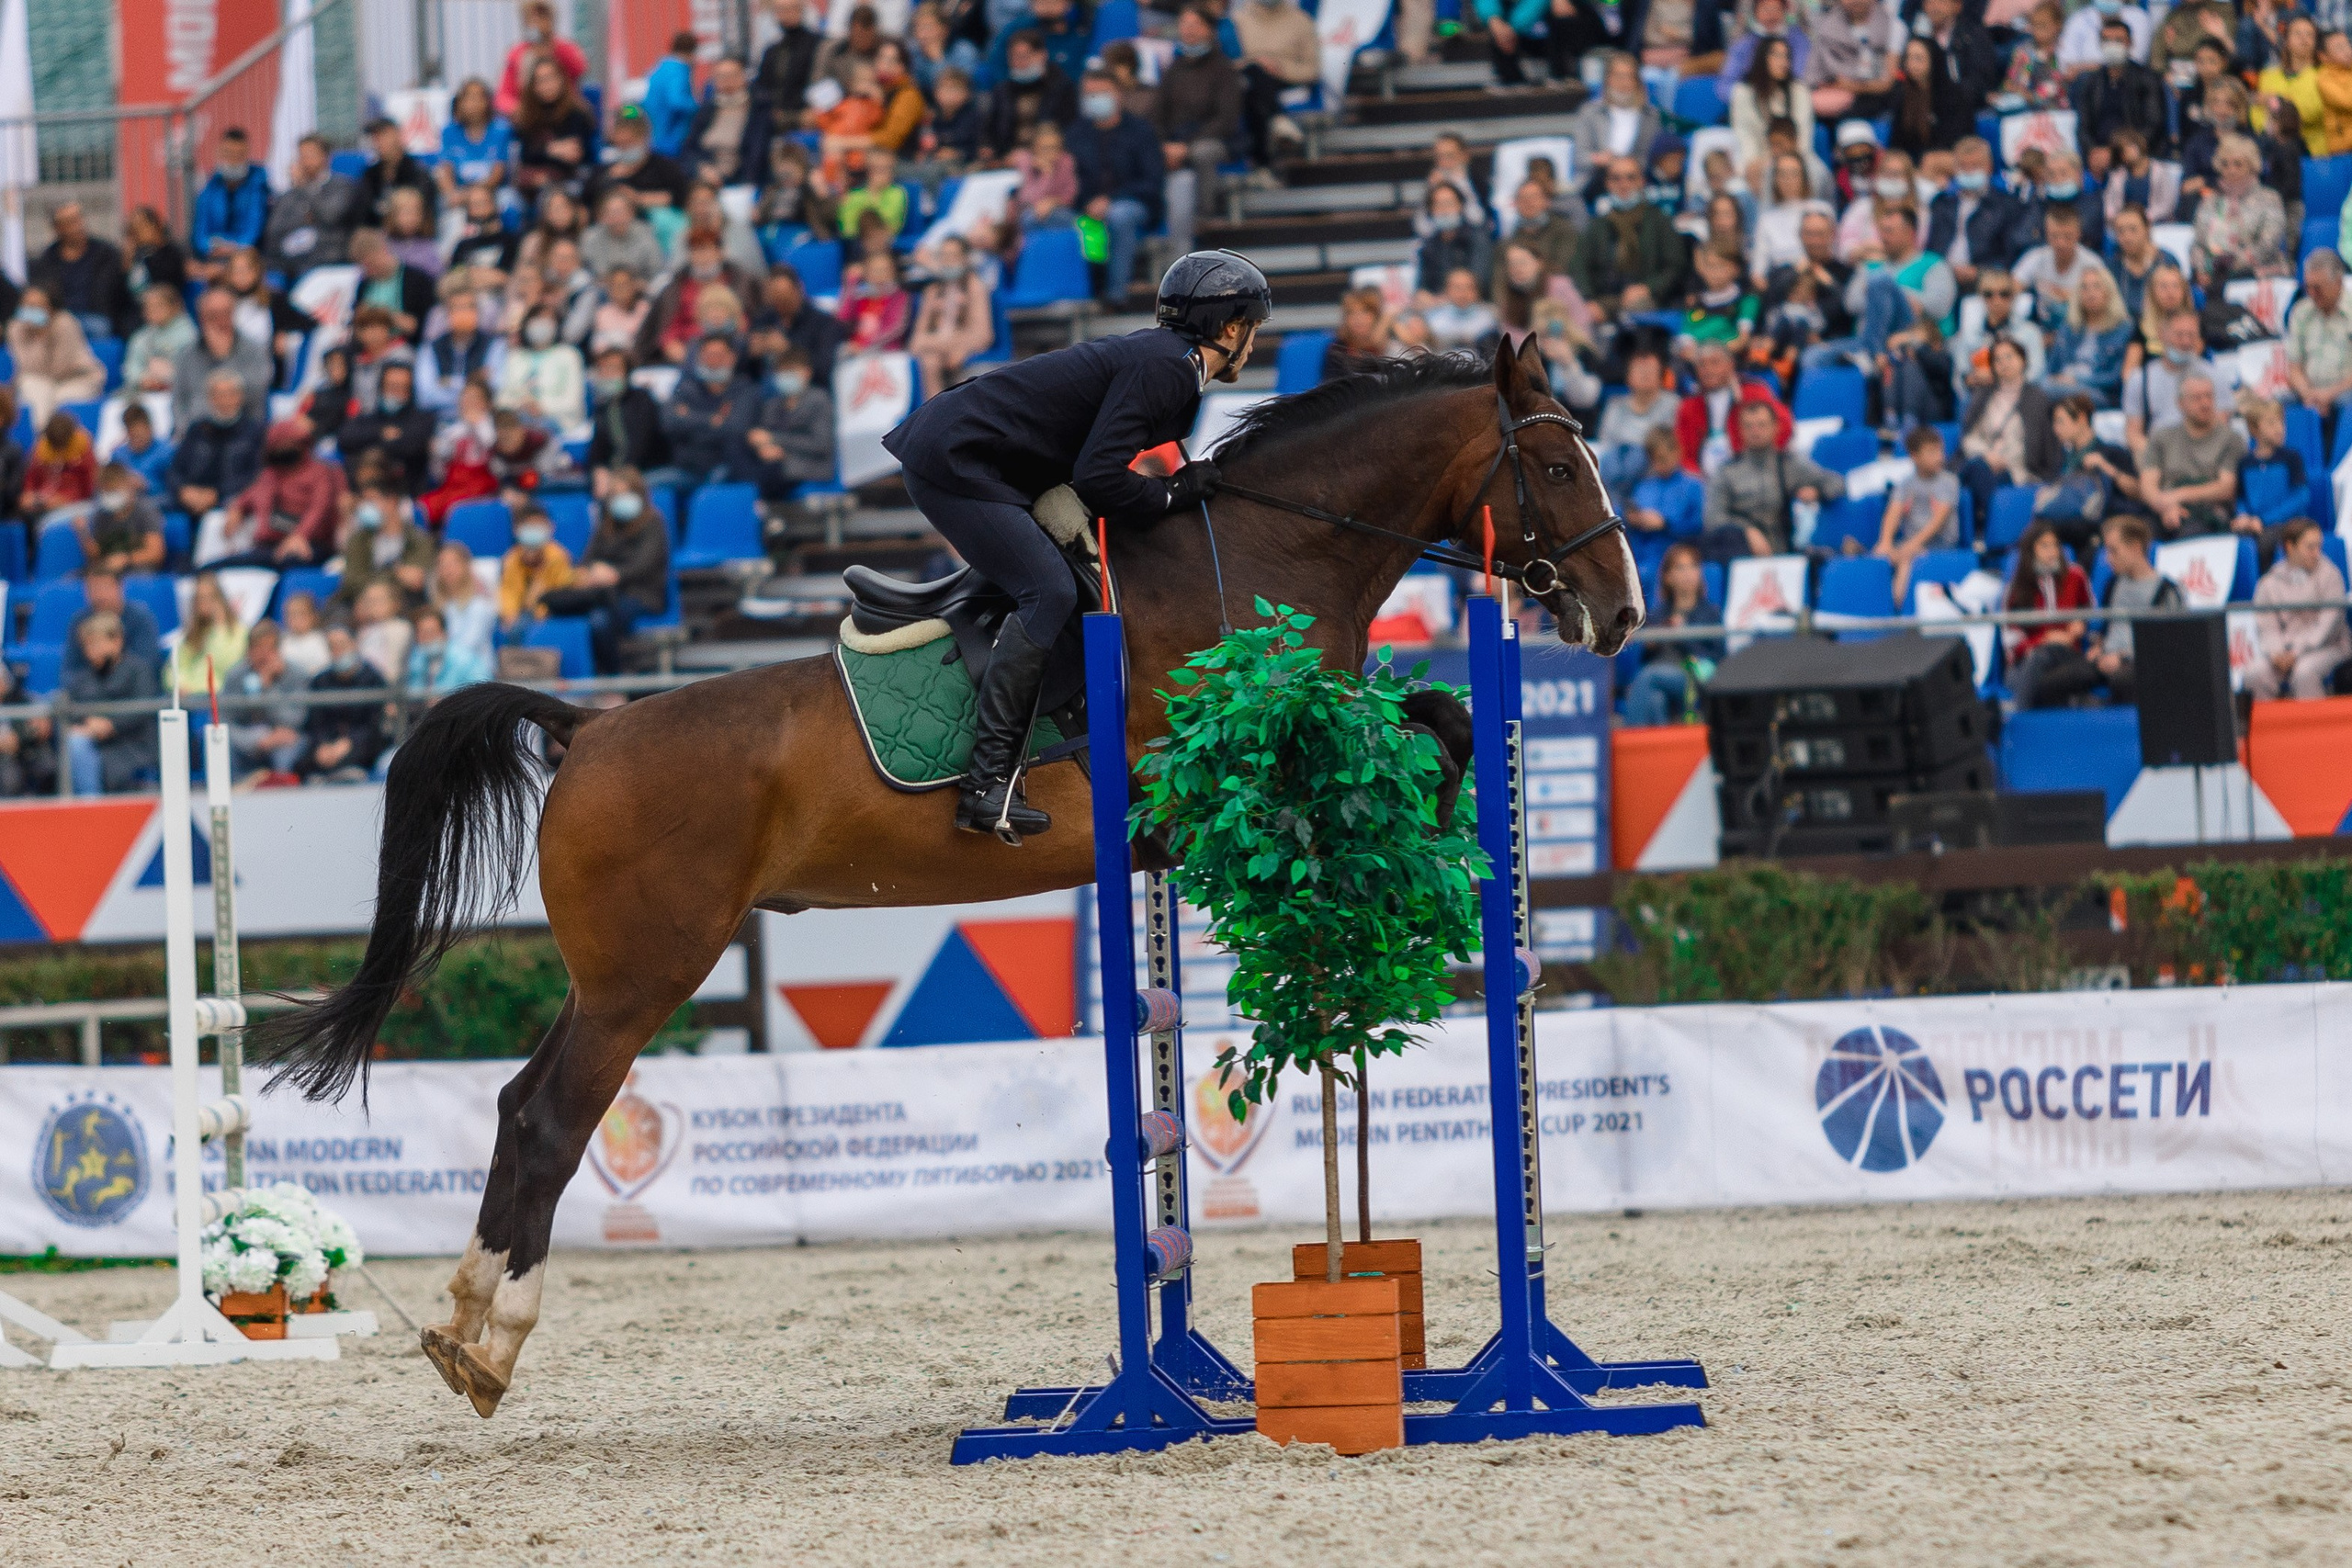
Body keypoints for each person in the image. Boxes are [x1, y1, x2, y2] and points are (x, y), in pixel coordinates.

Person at [880, 251, 1263, 841]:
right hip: (959, 463)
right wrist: (1170, 493)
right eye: (1253, 328)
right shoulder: (1169, 368)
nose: (1255, 343)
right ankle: (986, 784)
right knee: (1049, 591)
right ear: (1231, 329)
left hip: (991, 460)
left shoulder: (1170, 361)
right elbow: (1099, 478)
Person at [537, 468, 673, 673]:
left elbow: (644, 564)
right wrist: (586, 574)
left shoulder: (653, 522)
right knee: (561, 613)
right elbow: (586, 560)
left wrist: (614, 575)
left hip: (640, 594)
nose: (620, 499)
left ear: (639, 495)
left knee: (599, 621)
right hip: (601, 593)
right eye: (615, 494)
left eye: (626, 493)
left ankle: (612, 677)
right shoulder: (606, 524)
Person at [1070, 69, 1165, 310]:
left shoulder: (1141, 131)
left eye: (1102, 93)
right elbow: (1070, 179)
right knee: (1056, 219)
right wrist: (1086, 203)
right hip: (1085, 208)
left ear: (1119, 95)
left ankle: (1115, 296)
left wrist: (1110, 199)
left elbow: (1152, 181)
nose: (1095, 99)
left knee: (1119, 215)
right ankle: (1078, 294)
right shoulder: (1075, 135)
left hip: (1134, 204)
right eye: (1090, 94)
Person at [1703, 396, 1843, 557]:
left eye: (1761, 425)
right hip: (1739, 553)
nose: (1755, 431)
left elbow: (1837, 483)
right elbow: (1713, 518)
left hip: (1785, 553)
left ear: (1775, 427)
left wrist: (1818, 492)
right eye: (1749, 426)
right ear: (1740, 430)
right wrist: (1746, 530)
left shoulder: (1790, 464)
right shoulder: (1726, 471)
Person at [1153, 8, 1244, 255]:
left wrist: (1187, 145)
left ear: (1210, 30)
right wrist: (1164, 144)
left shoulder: (1223, 69)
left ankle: (1204, 216)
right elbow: (1158, 113)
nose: (1189, 30)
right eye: (1184, 24)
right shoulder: (1174, 69)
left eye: (1196, 24)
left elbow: (1226, 119)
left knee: (1202, 152)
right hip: (1174, 143)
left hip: (1215, 140)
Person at [209, 417, 345, 568]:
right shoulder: (269, 474)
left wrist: (300, 535)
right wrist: (237, 509)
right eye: (280, 445)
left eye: (291, 444)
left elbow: (320, 507)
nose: (285, 449)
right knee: (217, 566)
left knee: (290, 560)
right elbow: (248, 497)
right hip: (269, 545)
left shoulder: (320, 472)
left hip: (309, 544)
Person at [1957, 336, 2059, 531]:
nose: (2004, 363)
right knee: (1978, 468)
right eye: (1998, 359)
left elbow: (2041, 444)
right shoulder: (1983, 395)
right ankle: (1991, 528)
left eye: (2009, 357)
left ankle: (1985, 528)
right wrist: (1988, 455)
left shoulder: (2037, 398)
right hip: (1982, 460)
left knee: (1979, 474)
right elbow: (1969, 437)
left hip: (2017, 469)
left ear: (2023, 361)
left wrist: (2004, 461)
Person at [2078, 513, 2178, 705]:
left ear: (2135, 547)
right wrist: (2098, 646)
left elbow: (2168, 645)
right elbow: (2106, 627)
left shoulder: (2167, 591)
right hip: (2105, 659)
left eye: (2113, 551)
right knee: (2055, 681)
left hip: (2141, 663)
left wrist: (2122, 657)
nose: (2108, 559)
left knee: (2122, 680)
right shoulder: (2112, 584)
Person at [2245, 519, 2351, 698]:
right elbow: (2267, 627)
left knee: (2304, 673)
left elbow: (2327, 627)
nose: (2316, 553)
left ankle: (2314, 718)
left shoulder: (2331, 576)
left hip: (2329, 647)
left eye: (2318, 546)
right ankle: (2269, 718)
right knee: (2255, 673)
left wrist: (2296, 653)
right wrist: (2276, 653)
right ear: (2290, 547)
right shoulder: (2268, 583)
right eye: (2310, 547)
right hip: (2283, 652)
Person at [1570, 156, 1683, 322]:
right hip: (1604, 299)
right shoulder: (1597, 225)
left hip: (1647, 298)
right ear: (1607, 184)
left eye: (1631, 178)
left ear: (1642, 182)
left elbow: (1675, 266)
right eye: (1616, 178)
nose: (1623, 184)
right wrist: (1588, 299)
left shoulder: (1659, 221)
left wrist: (1648, 288)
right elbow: (1580, 266)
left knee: (1637, 306)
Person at [1623, 542, 1723, 726]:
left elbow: (1718, 656)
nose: (1688, 573)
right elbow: (1645, 657)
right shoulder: (1657, 614)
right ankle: (1659, 745)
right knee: (1655, 699)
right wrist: (1649, 644)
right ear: (1668, 577)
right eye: (1680, 568)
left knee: (1647, 677)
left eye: (1693, 566)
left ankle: (1629, 737)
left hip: (1692, 677)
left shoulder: (1710, 613)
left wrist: (1682, 635)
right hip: (1660, 673)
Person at [61, 613, 158, 795]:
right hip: (96, 747)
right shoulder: (84, 678)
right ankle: (90, 805)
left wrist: (111, 725)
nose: (91, 652)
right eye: (87, 646)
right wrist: (88, 725)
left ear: (117, 641)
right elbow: (71, 710)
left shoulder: (139, 671)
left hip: (133, 745)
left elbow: (142, 709)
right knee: (75, 742)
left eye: (96, 644)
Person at [2140, 370, 2244, 539]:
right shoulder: (2162, 437)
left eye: (2209, 396)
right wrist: (2166, 507)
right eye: (2197, 398)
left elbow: (2226, 488)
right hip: (2163, 510)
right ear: (2180, 403)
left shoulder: (2231, 439)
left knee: (2192, 532)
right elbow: (2148, 484)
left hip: (2208, 512)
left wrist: (2177, 496)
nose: (2205, 403)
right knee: (2136, 533)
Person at [2003, 521, 2096, 708]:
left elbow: (2089, 610)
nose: (2052, 552)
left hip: (2068, 654)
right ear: (2031, 550)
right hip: (2028, 660)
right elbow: (2011, 641)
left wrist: (2081, 623)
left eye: (2055, 545)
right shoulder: (2017, 588)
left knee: (2039, 674)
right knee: (2037, 665)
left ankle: (2017, 714)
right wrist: (2044, 640)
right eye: (2044, 546)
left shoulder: (2075, 575)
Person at [1925, 138, 2029, 295]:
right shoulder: (1941, 204)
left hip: (1986, 282)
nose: (1968, 171)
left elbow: (2011, 255)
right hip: (1941, 278)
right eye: (1963, 166)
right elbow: (1932, 248)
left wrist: (1979, 271)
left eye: (1975, 166)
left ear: (1989, 167)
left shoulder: (2006, 206)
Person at [2124, 309, 2236, 455]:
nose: (2186, 341)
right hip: (2157, 454)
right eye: (2179, 335)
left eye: (2191, 335)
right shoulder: (2140, 379)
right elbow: (2133, 434)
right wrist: (2157, 457)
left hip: (2203, 455)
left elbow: (2221, 427)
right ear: (2161, 334)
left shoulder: (2215, 376)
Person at [660, 333, 763, 489]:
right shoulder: (686, 387)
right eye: (707, 355)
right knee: (643, 488)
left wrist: (689, 418)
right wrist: (712, 420)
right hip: (686, 469)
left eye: (719, 355)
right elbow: (668, 423)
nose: (713, 361)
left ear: (732, 358)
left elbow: (736, 429)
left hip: (726, 467)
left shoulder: (745, 390)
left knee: (710, 494)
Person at [1872, 424, 1959, 603]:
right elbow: (1893, 512)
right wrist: (1885, 542)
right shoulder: (1906, 484)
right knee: (1879, 556)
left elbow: (1938, 522)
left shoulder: (1949, 482)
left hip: (1940, 546)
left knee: (1907, 559)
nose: (1939, 457)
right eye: (1931, 452)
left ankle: (1896, 609)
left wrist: (1910, 546)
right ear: (1914, 456)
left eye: (1940, 450)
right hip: (1909, 544)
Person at [171, 288, 275, 434]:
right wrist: (184, 430)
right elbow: (178, 400)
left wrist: (222, 358)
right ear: (201, 318)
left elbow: (256, 393)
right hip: (197, 433)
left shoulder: (254, 350)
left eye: (225, 313)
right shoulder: (187, 354)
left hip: (243, 434)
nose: (220, 321)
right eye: (212, 315)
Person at [298, 623, 391, 782]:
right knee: (302, 763)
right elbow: (315, 723)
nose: (338, 651)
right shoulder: (320, 681)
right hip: (327, 747)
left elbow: (375, 724)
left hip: (362, 745)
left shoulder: (374, 679)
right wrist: (323, 745)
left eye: (342, 645)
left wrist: (349, 742)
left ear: (354, 644)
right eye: (332, 647)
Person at [2192, 134, 2289, 287]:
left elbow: (2268, 245)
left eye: (2238, 164)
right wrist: (2203, 268)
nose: (2231, 170)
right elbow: (2198, 244)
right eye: (2225, 164)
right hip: (2214, 278)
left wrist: (2232, 264)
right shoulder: (2210, 201)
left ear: (2251, 167)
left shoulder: (2269, 199)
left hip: (2258, 277)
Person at [169, 370, 265, 524]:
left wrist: (217, 493)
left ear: (240, 397)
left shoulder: (254, 432)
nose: (224, 400)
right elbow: (175, 469)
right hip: (190, 496)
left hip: (229, 500)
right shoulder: (197, 429)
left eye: (230, 394)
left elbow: (255, 474)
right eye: (218, 395)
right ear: (210, 398)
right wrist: (183, 490)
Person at [30, 201, 132, 340]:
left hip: (97, 316)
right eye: (70, 222)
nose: (78, 226)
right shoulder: (47, 259)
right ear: (57, 228)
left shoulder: (105, 253)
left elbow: (119, 288)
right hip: (59, 317)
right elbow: (41, 293)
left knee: (98, 327)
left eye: (79, 219)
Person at [264, 135, 361, 278]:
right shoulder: (291, 194)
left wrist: (305, 187)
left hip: (329, 262)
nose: (305, 161)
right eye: (302, 156)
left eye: (310, 155)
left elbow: (330, 216)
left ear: (326, 157)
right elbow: (273, 231)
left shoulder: (342, 186)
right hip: (291, 264)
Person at [909, 236, 994, 399]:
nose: (949, 262)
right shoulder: (932, 291)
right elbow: (916, 341)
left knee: (958, 365)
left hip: (967, 353)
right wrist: (948, 346)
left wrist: (960, 348)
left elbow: (983, 335)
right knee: (929, 361)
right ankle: (934, 410)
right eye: (944, 256)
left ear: (965, 259)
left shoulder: (975, 287)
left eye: (954, 256)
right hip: (940, 351)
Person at [220, 620, 307, 779]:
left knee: (287, 752)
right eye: (259, 648)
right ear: (249, 650)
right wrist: (256, 741)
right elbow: (225, 722)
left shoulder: (296, 674)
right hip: (248, 737)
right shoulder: (235, 676)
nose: (265, 655)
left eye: (270, 649)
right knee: (225, 746)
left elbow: (296, 720)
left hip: (285, 736)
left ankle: (283, 790)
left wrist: (269, 689)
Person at [1595, 344, 1685, 501]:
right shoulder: (1615, 405)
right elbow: (1606, 444)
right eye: (1639, 370)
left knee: (1637, 456)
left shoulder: (1674, 405)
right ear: (1628, 376)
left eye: (1650, 370)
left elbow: (1671, 445)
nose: (1645, 374)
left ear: (1661, 376)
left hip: (1656, 476)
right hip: (1616, 474)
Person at [2041, 260, 2134, 408]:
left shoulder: (2124, 329)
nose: (2090, 293)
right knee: (2037, 388)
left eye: (2097, 286)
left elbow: (2115, 378)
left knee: (2045, 389)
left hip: (2099, 392)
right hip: (2060, 385)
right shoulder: (2068, 327)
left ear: (2109, 291)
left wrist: (2076, 379)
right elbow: (2052, 367)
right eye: (2084, 288)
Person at [8, 285, 106, 428]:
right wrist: (39, 338)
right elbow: (26, 366)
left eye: (36, 306)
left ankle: (63, 439)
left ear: (50, 308)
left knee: (59, 401)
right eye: (26, 305)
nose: (30, 311)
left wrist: (45, 334)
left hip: (76, 378)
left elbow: (59, 368)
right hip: (43, 380)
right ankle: (41, 437)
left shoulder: (65, 322)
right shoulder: (16, 328)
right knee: (32, 387)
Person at [2287, 248, 2352, 458]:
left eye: (2318, 288)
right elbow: (2294, 367)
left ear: (2338, 283)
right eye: (2308, 287)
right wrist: (2309, 394)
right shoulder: (2301, 312)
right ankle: (2296, 466)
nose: (2312, 294)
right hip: (2310, 392)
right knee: (2276, 405)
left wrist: (2328, 394)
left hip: (2345, 390)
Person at [1623, 426, 1705, 581]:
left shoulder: (1694, 485)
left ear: (1677, 452)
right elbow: (1630, 522)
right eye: (1654, 460)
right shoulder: (1643, 487)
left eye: (1664, 459)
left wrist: (1665, 524)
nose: (1659, 465)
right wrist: (1633, 520)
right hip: (1642, 557)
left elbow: (1699, 526)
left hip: (1676, 556)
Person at [190, 127, 272, 281]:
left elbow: (254, 230)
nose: (233, 160)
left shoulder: (259, 187)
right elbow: (200, 232)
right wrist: (210, 247)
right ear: (219, 153)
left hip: (249, 258)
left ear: (247, 155)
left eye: (238, 155)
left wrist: (234, 248)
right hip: (213, 257)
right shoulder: (209, 189)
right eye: (228, 154)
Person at [2233, 398, 2310, 558]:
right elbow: (2241, 498)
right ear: (2254, 429)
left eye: (2281, 422)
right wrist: (2243, 517)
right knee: (2235, 543)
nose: (2279, 428)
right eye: (2271, 423)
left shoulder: (2291, 458)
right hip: (2254, 525)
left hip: (2287, 525)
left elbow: (2301, 497)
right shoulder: (2244, 463)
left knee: (2265, 541)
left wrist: (2263, 520)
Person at [514, 55, 599, 200]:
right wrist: (551, 149)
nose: (547, 85)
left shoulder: (578, 113)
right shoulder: (526, 117)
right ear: (533, 86)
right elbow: (525, 155)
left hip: (572, 179)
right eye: (541, 80)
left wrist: (542, 151)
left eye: (551, 78)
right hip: (533, 184)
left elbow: (576, 154)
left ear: (561, 80)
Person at [585, 344, 669, 486]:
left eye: (613, 369)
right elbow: (597, 451)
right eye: (602, 369)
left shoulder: (642, 400)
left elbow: (640, 446)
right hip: (615, 474)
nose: (606, 374)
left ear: (627, 372)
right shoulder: (603, 408)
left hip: (648, 470)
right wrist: (598, 471)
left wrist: (619, 477)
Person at [498, 303, 587, 433]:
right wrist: (521, 405)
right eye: (537, 319)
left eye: (548, 319)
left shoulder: (569, 355)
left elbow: (573, 402)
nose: (541, 323)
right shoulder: (515, 357)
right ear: (527, 324)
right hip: (518, 425)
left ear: (557, 324)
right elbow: (502, 399)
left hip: (560, 426)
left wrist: (541, 407)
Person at [1807, 0, 1901, 122]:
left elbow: (1886, 83)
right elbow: (1817, 77)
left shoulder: (1892, 26)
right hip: (1831, 105)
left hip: (1877, 104)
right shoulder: (1825, 27)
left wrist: (1847, 85)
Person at [1574, 52, 1663, 177]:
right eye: (1618, 76)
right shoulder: (1590, 112)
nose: (1623, 82)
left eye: (1629, 76)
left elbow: (1651, 158)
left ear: (1637, 81)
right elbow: (1580, 157)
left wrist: (1625, 166)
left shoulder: (1651, 116)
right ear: (1608, 79)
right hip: (1597, 177)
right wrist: (1599, 159)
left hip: (1635, 178)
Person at [496, 0, 588, 115]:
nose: (537, 22)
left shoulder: (565, 48)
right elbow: (503, 97)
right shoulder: (517, 53)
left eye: (542, 15)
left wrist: (551, 44)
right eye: (532, 17)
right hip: (529, 115)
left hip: (563, 112)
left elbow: (580, 69)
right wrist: (518, 111)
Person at [419, 290, 505, 411]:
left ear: (477, 312)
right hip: (440, 417)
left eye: (469, 307)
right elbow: (425, 396)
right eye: (457, 308)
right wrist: (472, 381)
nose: (463, 313)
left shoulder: (495, 346)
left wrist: (448, 383)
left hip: (481, 416)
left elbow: (496, 388)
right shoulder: (430, 348)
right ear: (447, 314)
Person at [76, 461, 165, 575]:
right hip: (108, 571)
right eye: (105, 491)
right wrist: (83, 533)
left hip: (138, 570)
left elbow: (155, 554)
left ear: (128, 487)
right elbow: (96, 556)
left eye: (113, 490)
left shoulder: (145, 511)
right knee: (72, 580)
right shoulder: (101, 515)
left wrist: (125, 559)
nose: (109, 495)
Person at [1888, 37, 1970, 162]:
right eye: (1908, 57)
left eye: (1918, 58)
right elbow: (1896, 144)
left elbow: (1959, 141)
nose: (1911, 64)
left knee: (1930, 161)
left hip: (1949, 160)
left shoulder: (1953, 95)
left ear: (1934, 60)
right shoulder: (1903, 95)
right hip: (1913, 164)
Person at [167, 571, 248, 694]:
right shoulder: (192, 634)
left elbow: (226, 665)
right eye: (199, 598)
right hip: (190, 696)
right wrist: (180, 684)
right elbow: (173, 668)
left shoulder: (239, 632)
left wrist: (220, 627)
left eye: (209, 597)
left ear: (220, 599)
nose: (203, 603)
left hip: (220, 696)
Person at [499, 506, 576, 630]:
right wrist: (509, 614)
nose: (534, 530)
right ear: (516, 529)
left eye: (538, 525)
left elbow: (563, 591)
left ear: (549, 528)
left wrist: (539, 609)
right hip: (522, 613)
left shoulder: (558, 556)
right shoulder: (511, 559)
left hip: (552, 613)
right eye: (529, 525)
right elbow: (508, 591)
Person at [754, 0, 824, 132]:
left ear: (800, 10)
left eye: (790, 9)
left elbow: (824, 82)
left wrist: (813, 110)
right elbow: (762, 86)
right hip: (774, 118)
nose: (785, 15)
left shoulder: (818, 44)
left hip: (808, 116)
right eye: (780, 10)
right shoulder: (772, 51)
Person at [431, 540, 499, 669]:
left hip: (475, 673)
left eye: (453, 563)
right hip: (443, 672)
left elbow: (468, 647)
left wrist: (433, 648)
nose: (447, 569)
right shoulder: (439, 607)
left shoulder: (480, 606)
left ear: (466, 566)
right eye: (442, 564)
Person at [22, 411, 96, 525]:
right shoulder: (40, 451)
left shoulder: (83, 450)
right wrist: (29, 495)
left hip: (74, 506)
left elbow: (88, 489)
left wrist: (64, 500)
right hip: (43, 503)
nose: (59, 453)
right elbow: (31, 481)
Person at [643, 31, 703, 159]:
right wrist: (700, 108)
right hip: (672, 137)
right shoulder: (678, 70)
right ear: (692, 51)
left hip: (655, 134)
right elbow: (677, 101)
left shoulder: (661, 68)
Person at [112, 403, 175, 500]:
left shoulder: (167, 453)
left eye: (140, 436)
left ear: (150, 429)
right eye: (133, 436)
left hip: (158, 505)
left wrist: (147, 486)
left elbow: (176, 491)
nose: (137, 441)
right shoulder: (118, 455)